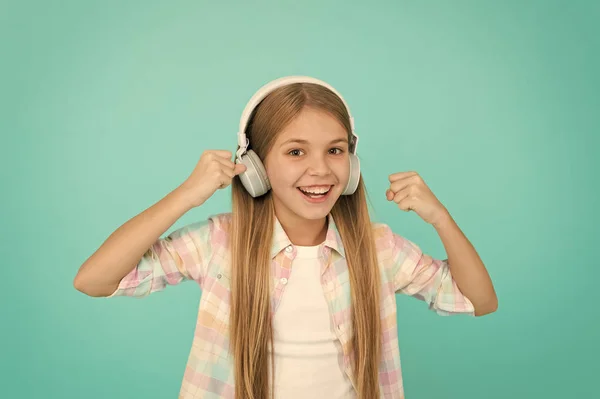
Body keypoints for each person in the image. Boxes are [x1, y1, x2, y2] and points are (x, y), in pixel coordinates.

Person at [73, 76, 498, 399]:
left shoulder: (378, 249)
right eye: (296, 152)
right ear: (255, 167)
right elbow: (94, 280)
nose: (321, 170)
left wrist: (440, 218)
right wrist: (186, 196)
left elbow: (478, 300)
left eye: (335, 150)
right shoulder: (221, 243)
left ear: (352, 162)